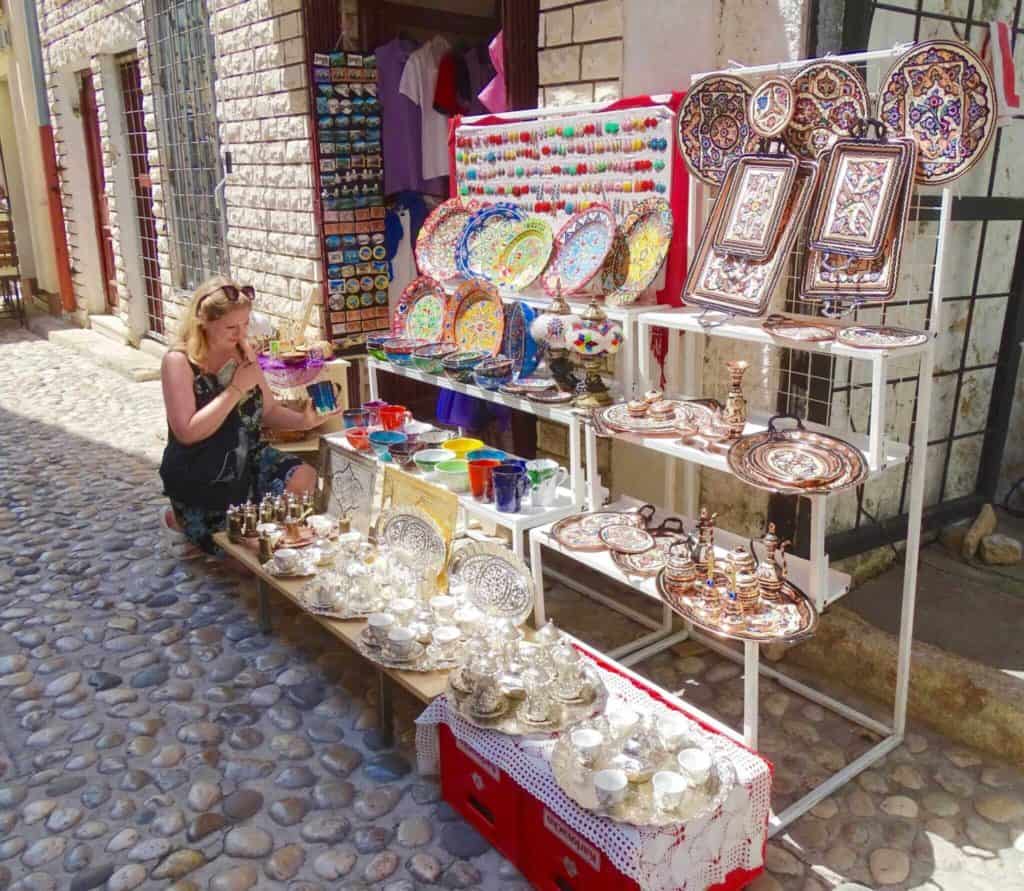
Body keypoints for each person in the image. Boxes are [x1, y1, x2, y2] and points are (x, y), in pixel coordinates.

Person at [159, 275, 336, 553]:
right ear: (203, 322)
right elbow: (187, 431)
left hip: (247, 457)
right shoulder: (178, 362)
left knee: (303, 478)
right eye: (231, 327)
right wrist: (236, 389)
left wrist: (305, 420)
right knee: (241, 560)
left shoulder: (242, 353)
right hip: (202, 470)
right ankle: (180, 519)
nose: (240, 334)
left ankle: (261, 530)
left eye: (244, 324)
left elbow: (269, 410)